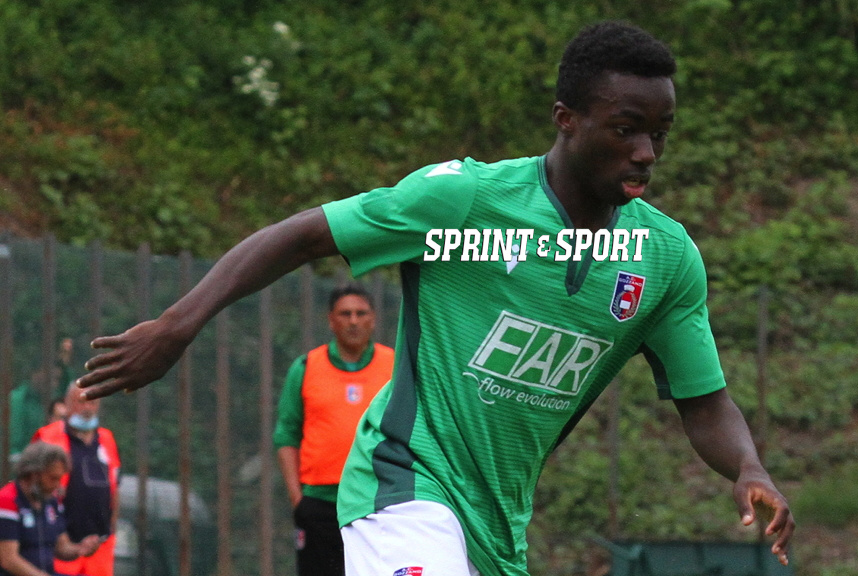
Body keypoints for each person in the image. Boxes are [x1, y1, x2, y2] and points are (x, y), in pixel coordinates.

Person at [74, 20, 795, 576]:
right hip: (402, 484)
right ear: (566, 118)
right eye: (626, 129)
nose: (647, 152)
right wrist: (177, 324)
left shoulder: (663, 259)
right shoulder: (465, 200)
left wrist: (749, 468)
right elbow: (301, 236)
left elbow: (704, 402)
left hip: (498, 523)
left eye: (660, 134)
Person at [274, 285, 394, 576]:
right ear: (331, 320)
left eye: (360, 313)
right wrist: (297, 499)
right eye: (345, 314)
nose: (353, 321)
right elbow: (287, 435)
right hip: (319, 503)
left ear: (373, 319)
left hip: (378, 501)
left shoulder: (395, 365)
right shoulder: (306, 367)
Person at [31, 385, 120, 576]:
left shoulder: (107, 439)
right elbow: (31, 488)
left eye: (93, 401)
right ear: (67, 404)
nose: (87, 407)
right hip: (59, 546)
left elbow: (115, 484)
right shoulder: (47, 436)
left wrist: (112, 526)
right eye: (82, 401)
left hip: (99, 550)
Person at [0, 442, 102, 576]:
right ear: (33, 474)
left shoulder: (51, 501)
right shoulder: (7, 500)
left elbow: (62, 548)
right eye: (53, 478)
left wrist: (80, 549)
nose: (58, 485)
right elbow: (8, 560)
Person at [6, 340, 75, 459]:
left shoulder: (56, 398)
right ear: (34, 373)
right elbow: (13, 445)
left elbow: (70, 389)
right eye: (50, 378)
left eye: (57, 379)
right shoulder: (17, 400)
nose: (54, 384)